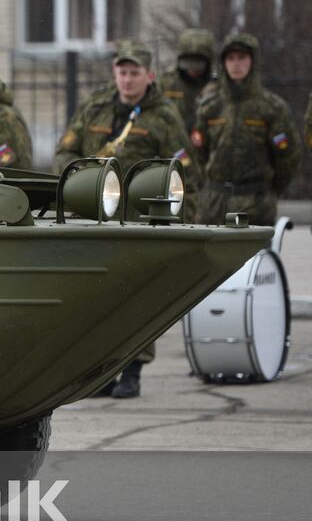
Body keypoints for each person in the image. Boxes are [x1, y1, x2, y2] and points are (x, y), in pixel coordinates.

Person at [53, 41, 196, 399]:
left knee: (136, 301)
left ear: (149, 76)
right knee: (95, 299)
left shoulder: (163, 117)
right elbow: (65, 150)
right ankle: (100, 374)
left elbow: (183, 172)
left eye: (135, 74)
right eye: (122, 72)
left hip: (140, 223)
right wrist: (77, 178)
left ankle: (132, 371)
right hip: (93, 218)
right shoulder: (95, 108)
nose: (127, 80)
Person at [192, 32, 300, 226]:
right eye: (231, 58)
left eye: (242, 58)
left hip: (256, 204)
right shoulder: (210, 106)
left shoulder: (271, 107)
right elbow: (198, 154)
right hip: (214, 204)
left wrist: (268, 191)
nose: (236, 64)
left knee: (256, 256)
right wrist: (209, 188)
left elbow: (287, 158)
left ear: (253, 61)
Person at [158, 28, 216, 131]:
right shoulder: (166, 82)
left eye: (198, 62)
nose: (192, 69)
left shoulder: (217, 86)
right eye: (188, 62)